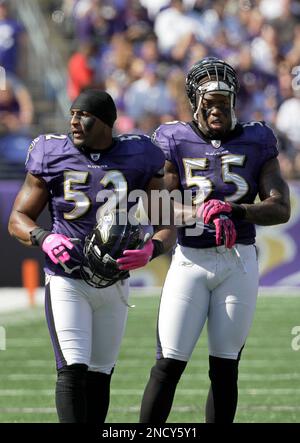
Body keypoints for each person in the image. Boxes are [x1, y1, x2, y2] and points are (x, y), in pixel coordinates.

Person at [8, 89, 175, 423]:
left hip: (114, 279)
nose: (73, 122)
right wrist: (44, 237)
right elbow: (17, 220)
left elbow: (167, 223)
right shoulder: (51, 152)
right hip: (67, 277)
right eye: (71, 114)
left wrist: (150, 249)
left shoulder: (140, 154)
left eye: (82, 115)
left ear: (105, 124)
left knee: (100, 374)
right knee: (72, 370)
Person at [139, 57, 291, 423]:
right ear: (194, 102)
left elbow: (281, 207)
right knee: (168, 365)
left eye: (223, 102)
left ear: (234, 100)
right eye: (209, 103)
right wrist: (200, 212)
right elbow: (156, 208)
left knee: (225, 368)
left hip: (238, 260)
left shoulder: (257, 138)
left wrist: (235, 211)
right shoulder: (174, 137)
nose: (217, 111)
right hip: (191, 260)